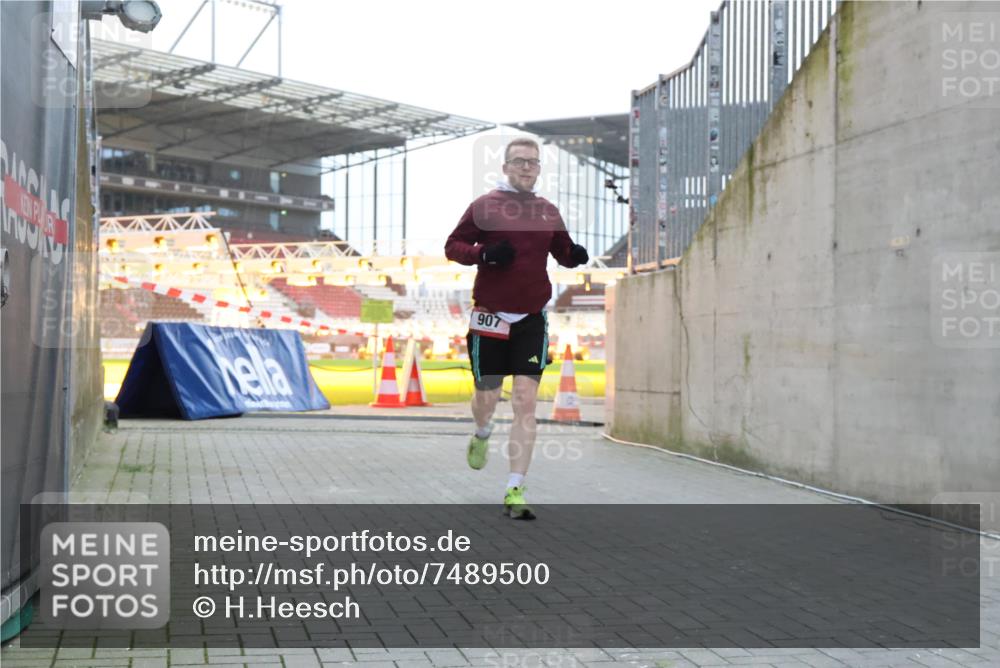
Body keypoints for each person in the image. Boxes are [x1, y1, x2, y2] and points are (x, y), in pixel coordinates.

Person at [444, 137, 589, 520]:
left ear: (538, 169)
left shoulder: (547, 211)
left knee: (525, 400)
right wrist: (483, 254)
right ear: (506, 166)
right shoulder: (485, 206)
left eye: (534, 163)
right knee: (487, 399)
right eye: (520, 161)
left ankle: (514, 489)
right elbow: (453, 246)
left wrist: (574, 256)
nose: (527, 168)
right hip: (490, 316)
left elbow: (563, 250)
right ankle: (481, 431)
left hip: (531, 317)